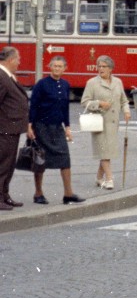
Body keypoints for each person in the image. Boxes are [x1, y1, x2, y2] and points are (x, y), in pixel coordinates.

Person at [29, 55, 82, 204]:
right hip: (41, 127)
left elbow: (65, 108)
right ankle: (38, 193)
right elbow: (33, 105)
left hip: (57, 128)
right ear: (49, 67)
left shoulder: (65, 84)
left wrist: (68, 127)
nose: (57, 68)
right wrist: (30, 125)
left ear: (65, 69)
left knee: (65, 158)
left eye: (60, 66)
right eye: (55, 66)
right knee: (40, 160)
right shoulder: (42, 84)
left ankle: (68, 194)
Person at [81, 55, 131, 190]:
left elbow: (124, 100)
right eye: (99, 66)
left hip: (113, 123)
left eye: (104, 66)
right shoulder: (92, 83)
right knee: (104, 153)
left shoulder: (118, 82)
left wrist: (126, 111)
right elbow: (84, 102)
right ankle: (109, 179)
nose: (101, 69)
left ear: (110, 69)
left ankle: (98, 178)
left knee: (106, 152)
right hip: (99, 123)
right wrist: (99, 103)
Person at [0, 47, 31, 211]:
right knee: (3, 164)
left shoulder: (7, 76)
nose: (19, 63)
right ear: (10, 60)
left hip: (11, 129)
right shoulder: (1, 76)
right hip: (4, 129)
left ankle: (5, 195)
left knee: (9, 165)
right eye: (18, 59)